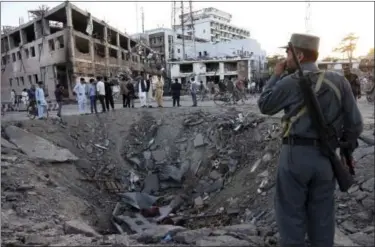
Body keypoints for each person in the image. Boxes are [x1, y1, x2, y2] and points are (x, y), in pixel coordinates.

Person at [257, 33, 363, 247]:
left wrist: (275, 75)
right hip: (325, 158)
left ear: (299, 54)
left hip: (294, 156)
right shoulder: (338, 81)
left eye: (287, 53)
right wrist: (345, 153)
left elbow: (265, 105)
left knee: (291, 219)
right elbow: (355, 124)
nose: (285, 58)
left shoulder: (289, 81)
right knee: (323, 221)